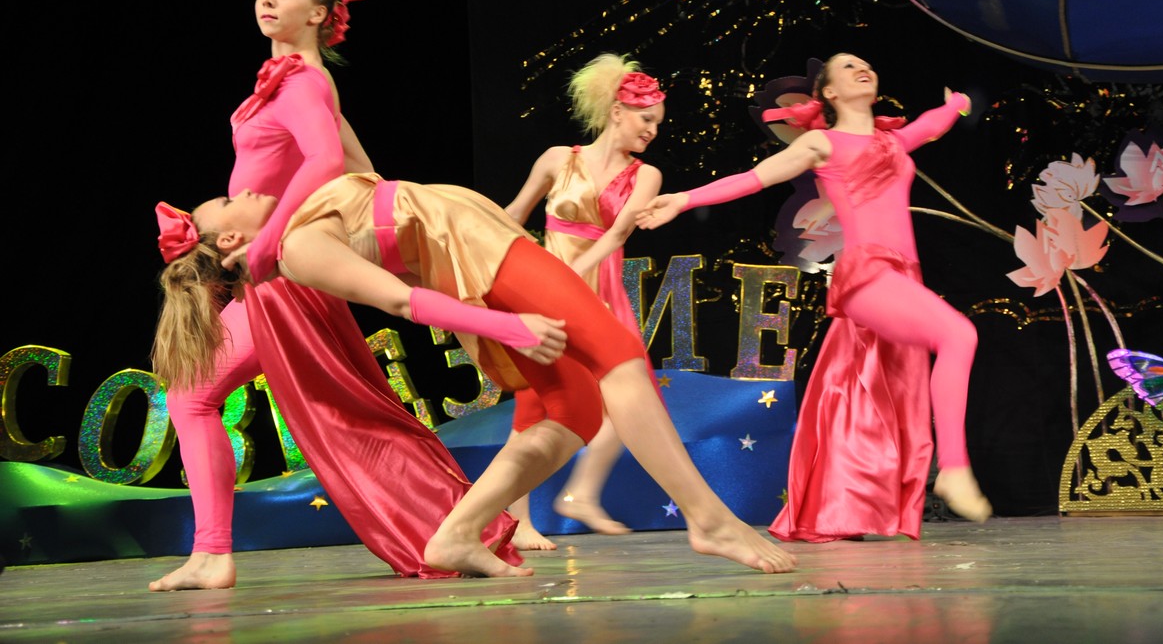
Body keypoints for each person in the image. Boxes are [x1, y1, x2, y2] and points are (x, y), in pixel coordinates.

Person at [154, 172, 800, 577]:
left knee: (575, 410)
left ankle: (460, 531)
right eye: (230, 199)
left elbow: (324, 133)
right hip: (480, 258)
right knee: (618, 355)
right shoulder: (300, 248)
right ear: (232, 241)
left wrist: (302, 52)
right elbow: (400, 300)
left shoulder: (306, 207)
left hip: (480, 247)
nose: (245, 187)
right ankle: (707, 518)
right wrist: (506, 328)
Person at [149, 0, 520, 591]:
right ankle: (212, 553)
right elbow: (359, 169)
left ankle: (463, 528)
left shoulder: (302, 81)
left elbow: (325, 163)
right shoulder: (295, 81)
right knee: (217, 395)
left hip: (287, 274)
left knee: (339, 414)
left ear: (320, 13)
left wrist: (272, 238)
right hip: (279, 274)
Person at [637, 53, 993, 543]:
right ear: (828, 92)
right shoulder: (821, 143)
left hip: (903, 280)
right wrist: (684, 199)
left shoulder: (892, 142)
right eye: (847, 67)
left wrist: (955, 105)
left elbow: (930, 126)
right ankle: (953, 468)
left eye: (867, 64)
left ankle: (841, 505)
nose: (862, 68)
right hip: (868, 276)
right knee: (959, 335)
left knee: (868, 397)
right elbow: (755, 178)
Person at [501, 53, 666, 548]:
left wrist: (572, 277)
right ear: (617, 111)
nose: (653, 130)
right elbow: (513, 214)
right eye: (646, 119)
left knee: (629, 402)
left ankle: (582, 494)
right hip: (546, 289)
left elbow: (616, 235)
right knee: (534, 404)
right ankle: (517, 520)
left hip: (601, 294)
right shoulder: (558, 159)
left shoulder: (646, 176)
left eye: (657, 123)